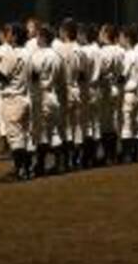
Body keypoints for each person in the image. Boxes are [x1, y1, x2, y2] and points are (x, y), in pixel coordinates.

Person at [0, 22, 34, 180]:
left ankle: (20, 170)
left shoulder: (11, 54)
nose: (7, 35)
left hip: (13, 98)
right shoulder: (28, 52)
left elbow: (3, 77)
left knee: (15, 138)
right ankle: (28, 168)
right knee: (25, 135)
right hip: (26, 97)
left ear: (14, 36)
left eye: (10, 33)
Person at [30, 24, 62, 176]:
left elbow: (32, 75)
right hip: (53, 95)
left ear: (43, 38)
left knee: (41, 132)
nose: (36, 39)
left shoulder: (37, 55)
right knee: (54, 131)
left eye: (38, 36)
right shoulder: (56, 55)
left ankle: (40, 165)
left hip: (41, 95)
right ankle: (59, 163)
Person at [53, 18, 85, 170]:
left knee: (63, 127)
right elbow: (82, 74)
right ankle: (76, 160)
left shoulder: (59, 49)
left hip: (63, 90)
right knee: (77, 126)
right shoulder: (80, 49)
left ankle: (65, 162)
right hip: (77, 88)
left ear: (65, 32)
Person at [98, 24, 125, 165]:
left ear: (106, 34)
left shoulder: (103, 52)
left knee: (105, 124)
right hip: (118, 88)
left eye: (102, 32)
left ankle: (108, 155)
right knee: (116, 121)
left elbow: (100, 72)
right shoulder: (121, 50)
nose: (99, 35)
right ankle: (116, 153)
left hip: (106, 89)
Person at [78, 23, 102, 168]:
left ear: (85, 35)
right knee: (95, 123)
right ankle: (95, 155)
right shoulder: (97, 49)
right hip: (96, 89)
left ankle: (87, 156)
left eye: (80, 34)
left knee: (85, 124)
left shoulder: (84, 50)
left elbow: (80, 73)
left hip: (85, 89)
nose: (78, 37)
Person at [119, 25, 138, 163]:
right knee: (137, 125)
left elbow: (123, 76)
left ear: (127, 39)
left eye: (122, 37)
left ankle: (127, 155)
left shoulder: (128, 55)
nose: (120, 39)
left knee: (126, 125)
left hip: (128, 93)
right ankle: (137, 154)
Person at [0, 27, 11, 152]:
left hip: (1, 85)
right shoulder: (15, 50)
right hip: (15, 85)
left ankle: (6, 141)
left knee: (1, 114)